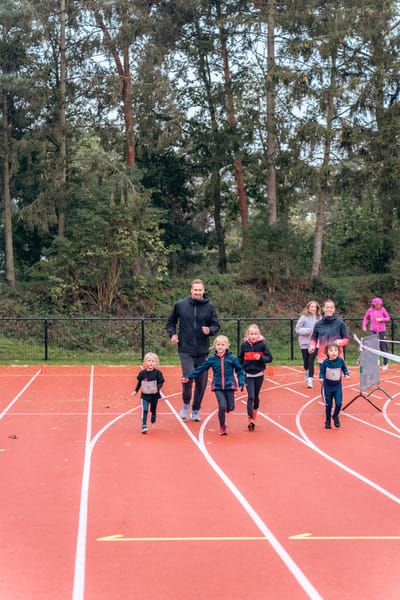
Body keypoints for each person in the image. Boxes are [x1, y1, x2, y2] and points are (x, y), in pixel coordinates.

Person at [167, 278, 220, 422]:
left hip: (203, 351)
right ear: (191, 290)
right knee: (188, 378)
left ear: (203, 291)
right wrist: (173, 334)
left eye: (200, 290)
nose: (197, 292)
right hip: (185, 349)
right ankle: (185, 405)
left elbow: (216, 325)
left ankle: (196, 409)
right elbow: (171, 322)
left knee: (201, 383)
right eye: (195, 290)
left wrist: (209, 330)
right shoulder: (180, 305)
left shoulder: (210, 307)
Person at [183, 335, 245, 436]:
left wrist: (241, 382)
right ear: (214, 346)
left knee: (231, 407)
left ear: (227, 346)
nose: (220, 347)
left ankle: (229, 408)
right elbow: (201, 368)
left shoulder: (232, 358)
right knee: (222, 406)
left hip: (230, 386)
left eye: (222, 344)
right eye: (218, 344)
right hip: (218, 386)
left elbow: (240, 370)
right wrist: (189, 377)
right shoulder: (212, 359)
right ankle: (222, 427)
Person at [238, 323, 273, 431]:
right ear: (248, 334)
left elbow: (270, 358)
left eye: (255, 334)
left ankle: (255, 413)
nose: (253, 336)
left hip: (259, 374)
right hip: (248, 374)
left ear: (259, 335)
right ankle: (250, 419)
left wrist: (261, 357)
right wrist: (239, 370)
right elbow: (240, 359)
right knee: (251, 397)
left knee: (256, 398)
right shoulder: (244, 345)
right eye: (251, 334)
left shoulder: (262, 345)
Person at [309, 298, 350, 365]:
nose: (329, 309)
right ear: (323, 309)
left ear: (334, 309)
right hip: (323, 358)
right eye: (327, 307)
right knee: (323, 375)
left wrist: (340, 342)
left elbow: (347, 339)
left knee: (336, 376)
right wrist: (312, 345)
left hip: (337, 357)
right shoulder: (318, 324)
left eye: (331, 307)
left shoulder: (340, 323)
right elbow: (314, 338)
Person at [319, 343, 350, 429]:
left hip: (337, 387)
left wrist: (346, 374)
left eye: (335, 350)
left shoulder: (340, 361)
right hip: (327, 387)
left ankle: (335, 416)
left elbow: (344, 368)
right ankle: (328, 421)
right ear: (327, 352)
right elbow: (322, 372)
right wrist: (321, 378)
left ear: (339, 352)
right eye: (331, 350)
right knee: (328, 405)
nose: (334, 352)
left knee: (339, 403)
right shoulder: (325, 362)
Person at [133, 352, 165, 434]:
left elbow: (161, 383)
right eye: (149, 360)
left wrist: (157, 389)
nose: (151, 362)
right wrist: (136, 390)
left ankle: (153, 414)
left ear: (156, 363)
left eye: (153, 361)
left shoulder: (158, 373)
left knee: (152, 409)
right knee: (145, 409)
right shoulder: (142, 373)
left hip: (154, 396)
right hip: (144, 395)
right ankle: (144, 425)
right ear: (145, 362)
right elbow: (139, 382)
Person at [295, 300, 321, 388]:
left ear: (317, 309)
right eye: (312, 307)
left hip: (315, 343)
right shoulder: (303, 317)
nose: (313, 308)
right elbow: (297, 329)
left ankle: (310, 380)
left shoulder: (319, 318)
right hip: (304, 342)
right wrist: (306, 330)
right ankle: (306, 371)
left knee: (311, 361)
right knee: (306, 362)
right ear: (308, 308)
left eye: (315, 307)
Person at [362, 297, 391, 370]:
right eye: (377, 304)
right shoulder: (370, 310)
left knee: (383, 347)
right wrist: (364, 326)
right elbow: (366, 318)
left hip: (382, 331)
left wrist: (382, 319)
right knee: (373, 346)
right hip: (373, 330)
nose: (379, 306)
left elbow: (388, 318)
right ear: (374, 304)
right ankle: (374, 363)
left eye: (380, 304)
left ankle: (385, 363)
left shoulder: (383, 309)